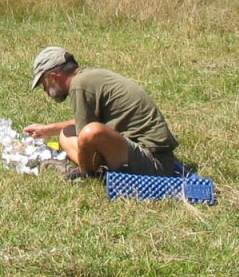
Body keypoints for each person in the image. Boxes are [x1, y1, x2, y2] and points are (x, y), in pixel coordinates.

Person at [23, 46, 178, 179]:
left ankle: (86, 173)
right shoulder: (88, 77)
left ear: (54, 77)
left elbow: (88, 133)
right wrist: (48, 130)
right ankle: (94, 168)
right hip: (148, 154)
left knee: (90, 132)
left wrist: (87, 164)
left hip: (155, 165)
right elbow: (85, 124)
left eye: (44, 84)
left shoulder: (79, 85)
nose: (45, 90)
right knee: (66, 133)